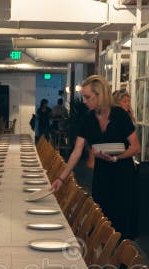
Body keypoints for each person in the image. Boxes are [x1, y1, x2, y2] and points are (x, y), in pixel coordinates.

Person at [52, 75, 141, 239]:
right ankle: (105, 260)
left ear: (100, 95)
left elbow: (135, 147)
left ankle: (123, 262)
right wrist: (61, 178)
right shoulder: (87, 119)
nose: (84, 101)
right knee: (103, 222)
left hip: (124, 176)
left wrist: (117, 158)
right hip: (102, 176)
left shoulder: (120, 115)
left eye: (87, 97)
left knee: (123, 223)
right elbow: (76, 152)